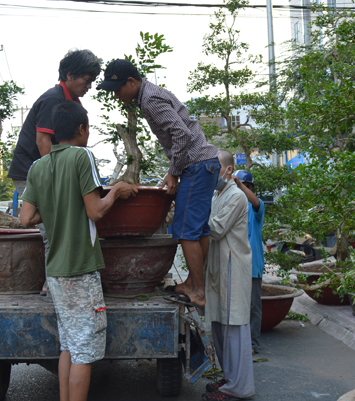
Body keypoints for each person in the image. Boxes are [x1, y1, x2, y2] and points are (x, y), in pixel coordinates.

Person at [19, 101, 137, 401]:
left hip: (55, 271)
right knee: (84, 350)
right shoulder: (82, 156)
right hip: (81, 269)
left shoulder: (38, 166)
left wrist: (57, 205)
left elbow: (26, 218)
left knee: (69, 345)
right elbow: (96, 211)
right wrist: (117, 190)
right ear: (82, 129)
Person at [97, 59, 220, 307]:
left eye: (118, 88)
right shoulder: (151, 94)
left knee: (185, 231)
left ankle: (198, 291)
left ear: (132, 82)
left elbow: (181, 134)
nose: (116, 94)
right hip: (205, 164)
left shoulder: (150, 100)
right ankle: (195, 284)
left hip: (195, 166)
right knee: (199, 230)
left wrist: (173, 172)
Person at [7, 49, 102, 263]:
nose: (89, 87)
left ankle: (51, 285)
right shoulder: (53, 99)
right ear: (69, 75)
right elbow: (43, 142)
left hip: (45, 171)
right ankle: (53, 291)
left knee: (59, 230)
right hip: (32, 173)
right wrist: (58, 182)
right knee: (53, 233)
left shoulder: (73, 102)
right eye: (87, 81)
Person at [203, 150, 255, 401]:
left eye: (216, 169)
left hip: (233, 266)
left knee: (234, 326)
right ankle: (229, 379)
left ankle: (239, 388)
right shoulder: (216, 194)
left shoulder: (236, 197)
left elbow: (217, 228)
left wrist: (191, 212)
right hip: (219, 266)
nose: (213, 175)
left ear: (228, 170)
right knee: (220, 325)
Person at [233, 169, 265, 355]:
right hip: (235, 263)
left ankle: (253, 343)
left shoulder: (256, 207)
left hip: (252, 265)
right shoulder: (233, 207)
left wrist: (239, 185)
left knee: (253, 305)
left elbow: (255, 201)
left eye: (246, 186)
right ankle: (239, 341)